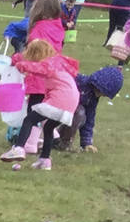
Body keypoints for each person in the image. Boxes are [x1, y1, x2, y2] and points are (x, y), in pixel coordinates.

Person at [10, 37, 79, 168]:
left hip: (60, 99)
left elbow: (38, 68)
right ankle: (45, 160)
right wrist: (17, 59)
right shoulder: (58, 63)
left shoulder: (49, 64)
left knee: (29, 120)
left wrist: (21, 65)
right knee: (48, 127)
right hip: (71, 102)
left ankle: (18, 148)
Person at [73, 65, 122, 149]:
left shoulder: (93, 98)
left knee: (81, 115)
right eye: (104, 93)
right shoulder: (79, 82)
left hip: (70, 115)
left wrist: (86, 142)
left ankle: (62, 140)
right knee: (79, 113)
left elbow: (89, 119)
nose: (103, 96)